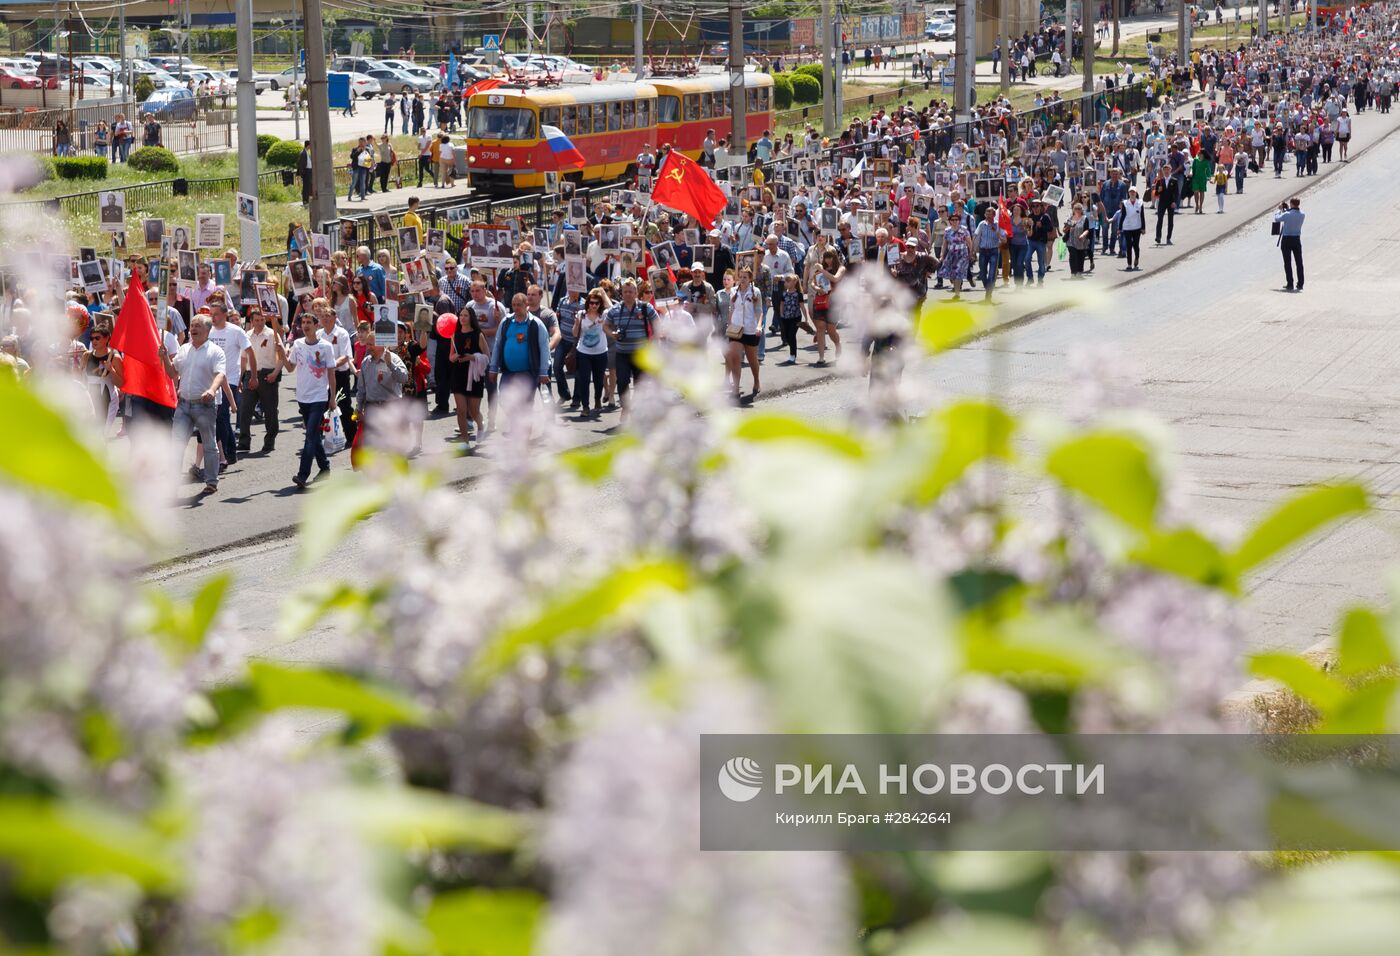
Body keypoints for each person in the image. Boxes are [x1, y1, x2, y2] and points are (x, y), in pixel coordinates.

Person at [162, 314, 226, 496]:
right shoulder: (183, 349)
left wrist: (212, 390)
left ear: (207, 330)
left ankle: (211, 482)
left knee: (209, 444)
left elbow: (220, 375)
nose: (193, 329)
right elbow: (173, 373)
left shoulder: (215, 351)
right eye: (191, 325)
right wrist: (165, 357)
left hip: (204, 405)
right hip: (183, 405)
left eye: (197, 326)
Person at [282, 312, 336, 489]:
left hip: (319, 397)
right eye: (303, 323)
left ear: (316, 325)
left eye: (308, 322)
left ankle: (302, 475)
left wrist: (332, 398)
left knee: (310, 437)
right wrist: (281, 354)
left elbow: (331, 374)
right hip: (302, 397)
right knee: (314, 435)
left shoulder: (326, 347)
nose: (305, 326)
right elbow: (290, 368)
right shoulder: (297, 345)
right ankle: (325, 468)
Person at [487, 293, 551, 431]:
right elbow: (498, 345)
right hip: (508, 372)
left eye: (519, 305)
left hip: (528, 372)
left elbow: (545, 348)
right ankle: (518, 424)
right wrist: (493, 368)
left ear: (526, 305)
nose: (516, 308)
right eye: (514, 305)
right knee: (504, 400)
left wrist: (543, 371)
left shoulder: (535, 324)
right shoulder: (506, 322)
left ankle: (523, 435)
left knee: (526, 404)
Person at [236, 307, 284, 454]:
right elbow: (243, 359)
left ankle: (269, 441)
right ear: (251, 321)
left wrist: (275, 373)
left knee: (270, 411)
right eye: (256, 320)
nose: (259, 323)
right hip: (250, 374)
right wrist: (240, 378)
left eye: (262, 320)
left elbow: (282, 357)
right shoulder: (247, 335)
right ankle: (244, 441)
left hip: (267, 375)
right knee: (245, 409)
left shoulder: (272, 334)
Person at [572, 290, 611, 417]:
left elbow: (612, 308)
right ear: (588, 303)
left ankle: (597, 399)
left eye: (597, 303)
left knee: (598, 380)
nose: (594, 305)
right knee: (584, 380)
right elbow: (574, 333)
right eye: (592, 303)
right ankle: (585, 406)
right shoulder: (581, 314)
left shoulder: (603, 315)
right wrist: (577, 323)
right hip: (583, 352)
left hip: (600, 352)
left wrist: (603, 294)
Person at [1274, 198, 1305, 293]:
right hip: (1296, 239)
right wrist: (1287, 209)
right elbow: (1292, 213)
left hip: (1287, 239)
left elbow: (1277, 219)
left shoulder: (1287, 214)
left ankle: (1290, 283)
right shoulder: (1302, 214)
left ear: (1291, 203)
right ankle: (1300, 283)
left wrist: (1279, 210)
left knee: (1287, 263)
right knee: (1299, 262)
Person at [1119, 187, 1145, 271]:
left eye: (1133, 192)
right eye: (1130, 192)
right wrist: (1119, 228)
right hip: (1127, 227)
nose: (1132, 193)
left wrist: (1143, 228)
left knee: (1136, 245)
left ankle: (1137, 257)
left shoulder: (1140, 203)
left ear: (1136, 193)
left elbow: (1142, 216)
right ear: (1128, 193)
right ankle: (1129, 264)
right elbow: (1122, 216)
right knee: (1129, 245)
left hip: (1137, 227)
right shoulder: (1125, 203)